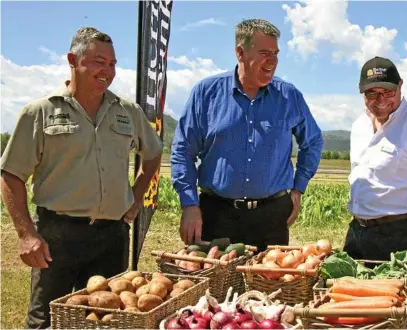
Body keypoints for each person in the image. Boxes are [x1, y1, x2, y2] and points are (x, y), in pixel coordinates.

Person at [0, 26, 163, 329]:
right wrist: (26, 234)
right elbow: (11, 174)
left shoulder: (127, 111)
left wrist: (136, 196)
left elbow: (153, 152)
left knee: (108, 320)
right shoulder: (41, 112)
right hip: (58, 236)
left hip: (111, 236)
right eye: (98, 61)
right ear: (72, 60)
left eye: (112, 64)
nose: (107, 71)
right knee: (47, 320)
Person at [171, 18, 323, 252]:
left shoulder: (289, 96)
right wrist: (189, 205)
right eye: (264, 52)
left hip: (272, 216)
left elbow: (312, 142)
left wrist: (298, 188)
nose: (272, 61)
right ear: (240, 53)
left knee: (267, 285)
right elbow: (183, 151)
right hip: (216, 214)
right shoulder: (206, 93)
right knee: (213, 286)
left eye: (276, 53)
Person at [343, 56, 407, 268]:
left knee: (393, 299)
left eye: (388, 92)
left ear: (400, 86)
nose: (380, 100)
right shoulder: (359, 126)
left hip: (398, 234)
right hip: (357, 230)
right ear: (361, 91)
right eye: (372, 93)